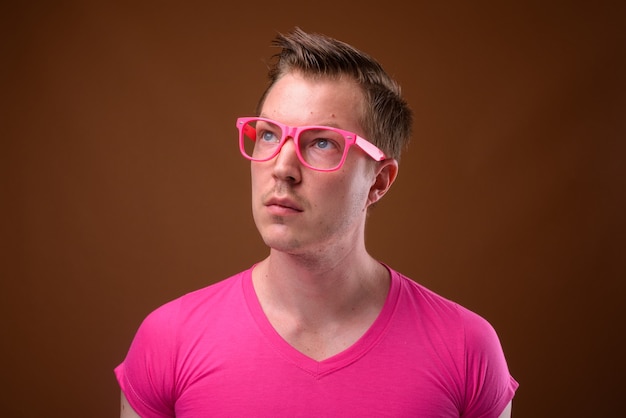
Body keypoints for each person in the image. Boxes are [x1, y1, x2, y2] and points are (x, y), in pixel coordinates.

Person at [115, 27, 518, 417]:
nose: (283, 169)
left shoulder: (467, 349)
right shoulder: (168, 341)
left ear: (378, 181)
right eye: (270, 135)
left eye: (322, 142)